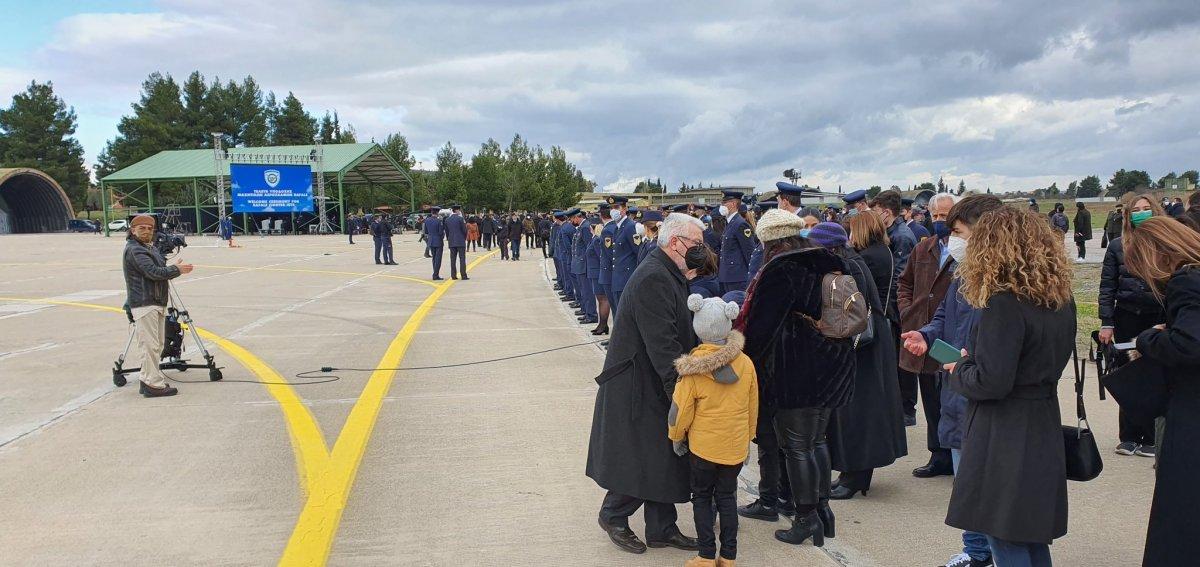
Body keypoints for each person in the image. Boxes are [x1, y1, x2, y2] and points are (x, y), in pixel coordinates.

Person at [945, 206, 1076, 567]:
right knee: (1029, 532)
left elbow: (992, 381)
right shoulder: (1059, 298)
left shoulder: (1004, 302)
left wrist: (960, 367)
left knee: (1005, 535)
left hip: (1005, 429)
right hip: (1041, 418)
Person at [586, 213, 706, 555]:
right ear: (675, 242)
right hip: (637, 383)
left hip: (649, 378)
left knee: (664, 458)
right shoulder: (655, 277)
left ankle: (662, 528)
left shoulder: (669, 271)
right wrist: (682, 396)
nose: (700, 250)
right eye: (696, 244)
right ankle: (613, 515)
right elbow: (663, 346)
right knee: (642, 457)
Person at [737, 209, 855, 547]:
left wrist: (745, 364)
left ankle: (805, 519)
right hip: (834, 364)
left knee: (796, 447)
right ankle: (822, 513)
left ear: (767, 238)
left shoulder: (779, 268)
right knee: (816, 441)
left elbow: (760, 329)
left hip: (796, 370)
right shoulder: (829, 259)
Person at [901, 194, 1006, 567]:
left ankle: (998, 553)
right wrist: (927, 336)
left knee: (989, 488)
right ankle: (976, 552)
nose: (953, 241)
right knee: (967, 485)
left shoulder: (1007, 284)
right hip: (959, 389)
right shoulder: (966, 274)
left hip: (986, 394)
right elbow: (946, 314)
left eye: (958, 231)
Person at [809, 222, 907, 503]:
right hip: (865, 346)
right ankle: (852, 474)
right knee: (856, 413)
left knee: (858, 415)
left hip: (860, 347)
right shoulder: (853, 262)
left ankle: (855, 476)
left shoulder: (849, 267)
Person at [1121, 217, 1200, 566]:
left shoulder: (1186, 280)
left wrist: (1149, 339)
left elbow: (1189, 343)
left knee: (1180, 509)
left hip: (1191, 410)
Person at [668, 294, 757, 567]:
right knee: (728, 498)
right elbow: (753, 406)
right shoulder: (746, 363)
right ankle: (728, 556)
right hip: (734, 446)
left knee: (702, 498)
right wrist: (748, 438)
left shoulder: (692, 370)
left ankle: (706, 555)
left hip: (704, 448)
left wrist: (676, 437)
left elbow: (679, 411)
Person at [1099, 194, 1165, 457]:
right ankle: (1128, 435)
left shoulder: (1165, 244)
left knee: (1153, 376)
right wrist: (1106, 321)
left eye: (1146, 209)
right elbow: (1107, 286)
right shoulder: (1117, 246)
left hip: (1156, 317)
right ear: (1127, 215)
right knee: (1126, 375)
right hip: (1126, 315)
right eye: (1136, 209)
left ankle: (1150, 436)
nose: (1141, 213)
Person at [895, 193, 956, 477]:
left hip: (951, 336)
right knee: (930, 393)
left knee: (952, 394)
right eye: (937, 216)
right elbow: (904, 283)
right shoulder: (924, 249)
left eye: (946, 215)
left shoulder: (965, 251)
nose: (941, 221)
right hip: (924, 334)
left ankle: (957, 452)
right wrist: (909, 311)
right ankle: (938, 454)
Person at [123, 214, 194, 398]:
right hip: (145, 303)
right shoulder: (135, 250)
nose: (147, 231)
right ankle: (151, 384)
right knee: (149, 345)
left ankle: (150, 379)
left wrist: (171, 267)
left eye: (149, 228)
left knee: (156, 345)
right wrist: (176, 270)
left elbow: (159, 267)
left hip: (155, 301)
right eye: (142, 228)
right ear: (133, 230)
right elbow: (153, 272)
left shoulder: (148, 248)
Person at [869, 190, 917, 282]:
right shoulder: (887, 231)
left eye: (875, 212)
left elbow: (899, 276)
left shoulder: (902, 237)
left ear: (886, 213)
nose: (873, 216)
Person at [717, 191, 756, 294]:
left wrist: (752, 277)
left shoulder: (740, 224)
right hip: (727, 276)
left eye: (724, 203)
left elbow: (749, 252)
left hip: (737, 278)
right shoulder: (730, 223)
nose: (722, 206)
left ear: (733, 204)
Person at [608, 196, 637, 312]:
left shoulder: (630, 227)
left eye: (616, 207)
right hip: (618, 278)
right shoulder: (617, 228)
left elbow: (638, 252)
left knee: (626, 313)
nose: (613, 210)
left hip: (627, 278)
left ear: (624, 209)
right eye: (611, 208)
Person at [571, 210, 597, 325]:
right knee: (582, 289)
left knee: (587, 291)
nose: (572, 221)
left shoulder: (585, 227)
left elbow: (589, 246)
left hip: (584, 264)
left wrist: (585, 262)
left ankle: (591, 314)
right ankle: (586, 311)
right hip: (579, 264)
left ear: (577, 217)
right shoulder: (582, 227)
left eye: (573, 219)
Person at [445, 205, 469, 280]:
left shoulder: (447, 220)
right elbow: (465, 231)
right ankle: (463, 275)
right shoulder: (460, 219)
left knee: (453, 259)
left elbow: (447, 232)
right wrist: (464, 238)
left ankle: (453, 275)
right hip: (460, 241)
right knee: (462, 259)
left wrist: (449, 239)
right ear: (457, 210)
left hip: (452, 241)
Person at [423, 207, 444, 278]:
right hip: (438, 241)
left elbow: (426, 232)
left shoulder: (427, 220)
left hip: (431, 241)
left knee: (434, 258)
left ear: (432, 212)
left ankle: (435, 272)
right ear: (437, 213)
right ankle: (435, 274)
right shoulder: (439, 221)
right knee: (438, 258)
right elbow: (441, 232)